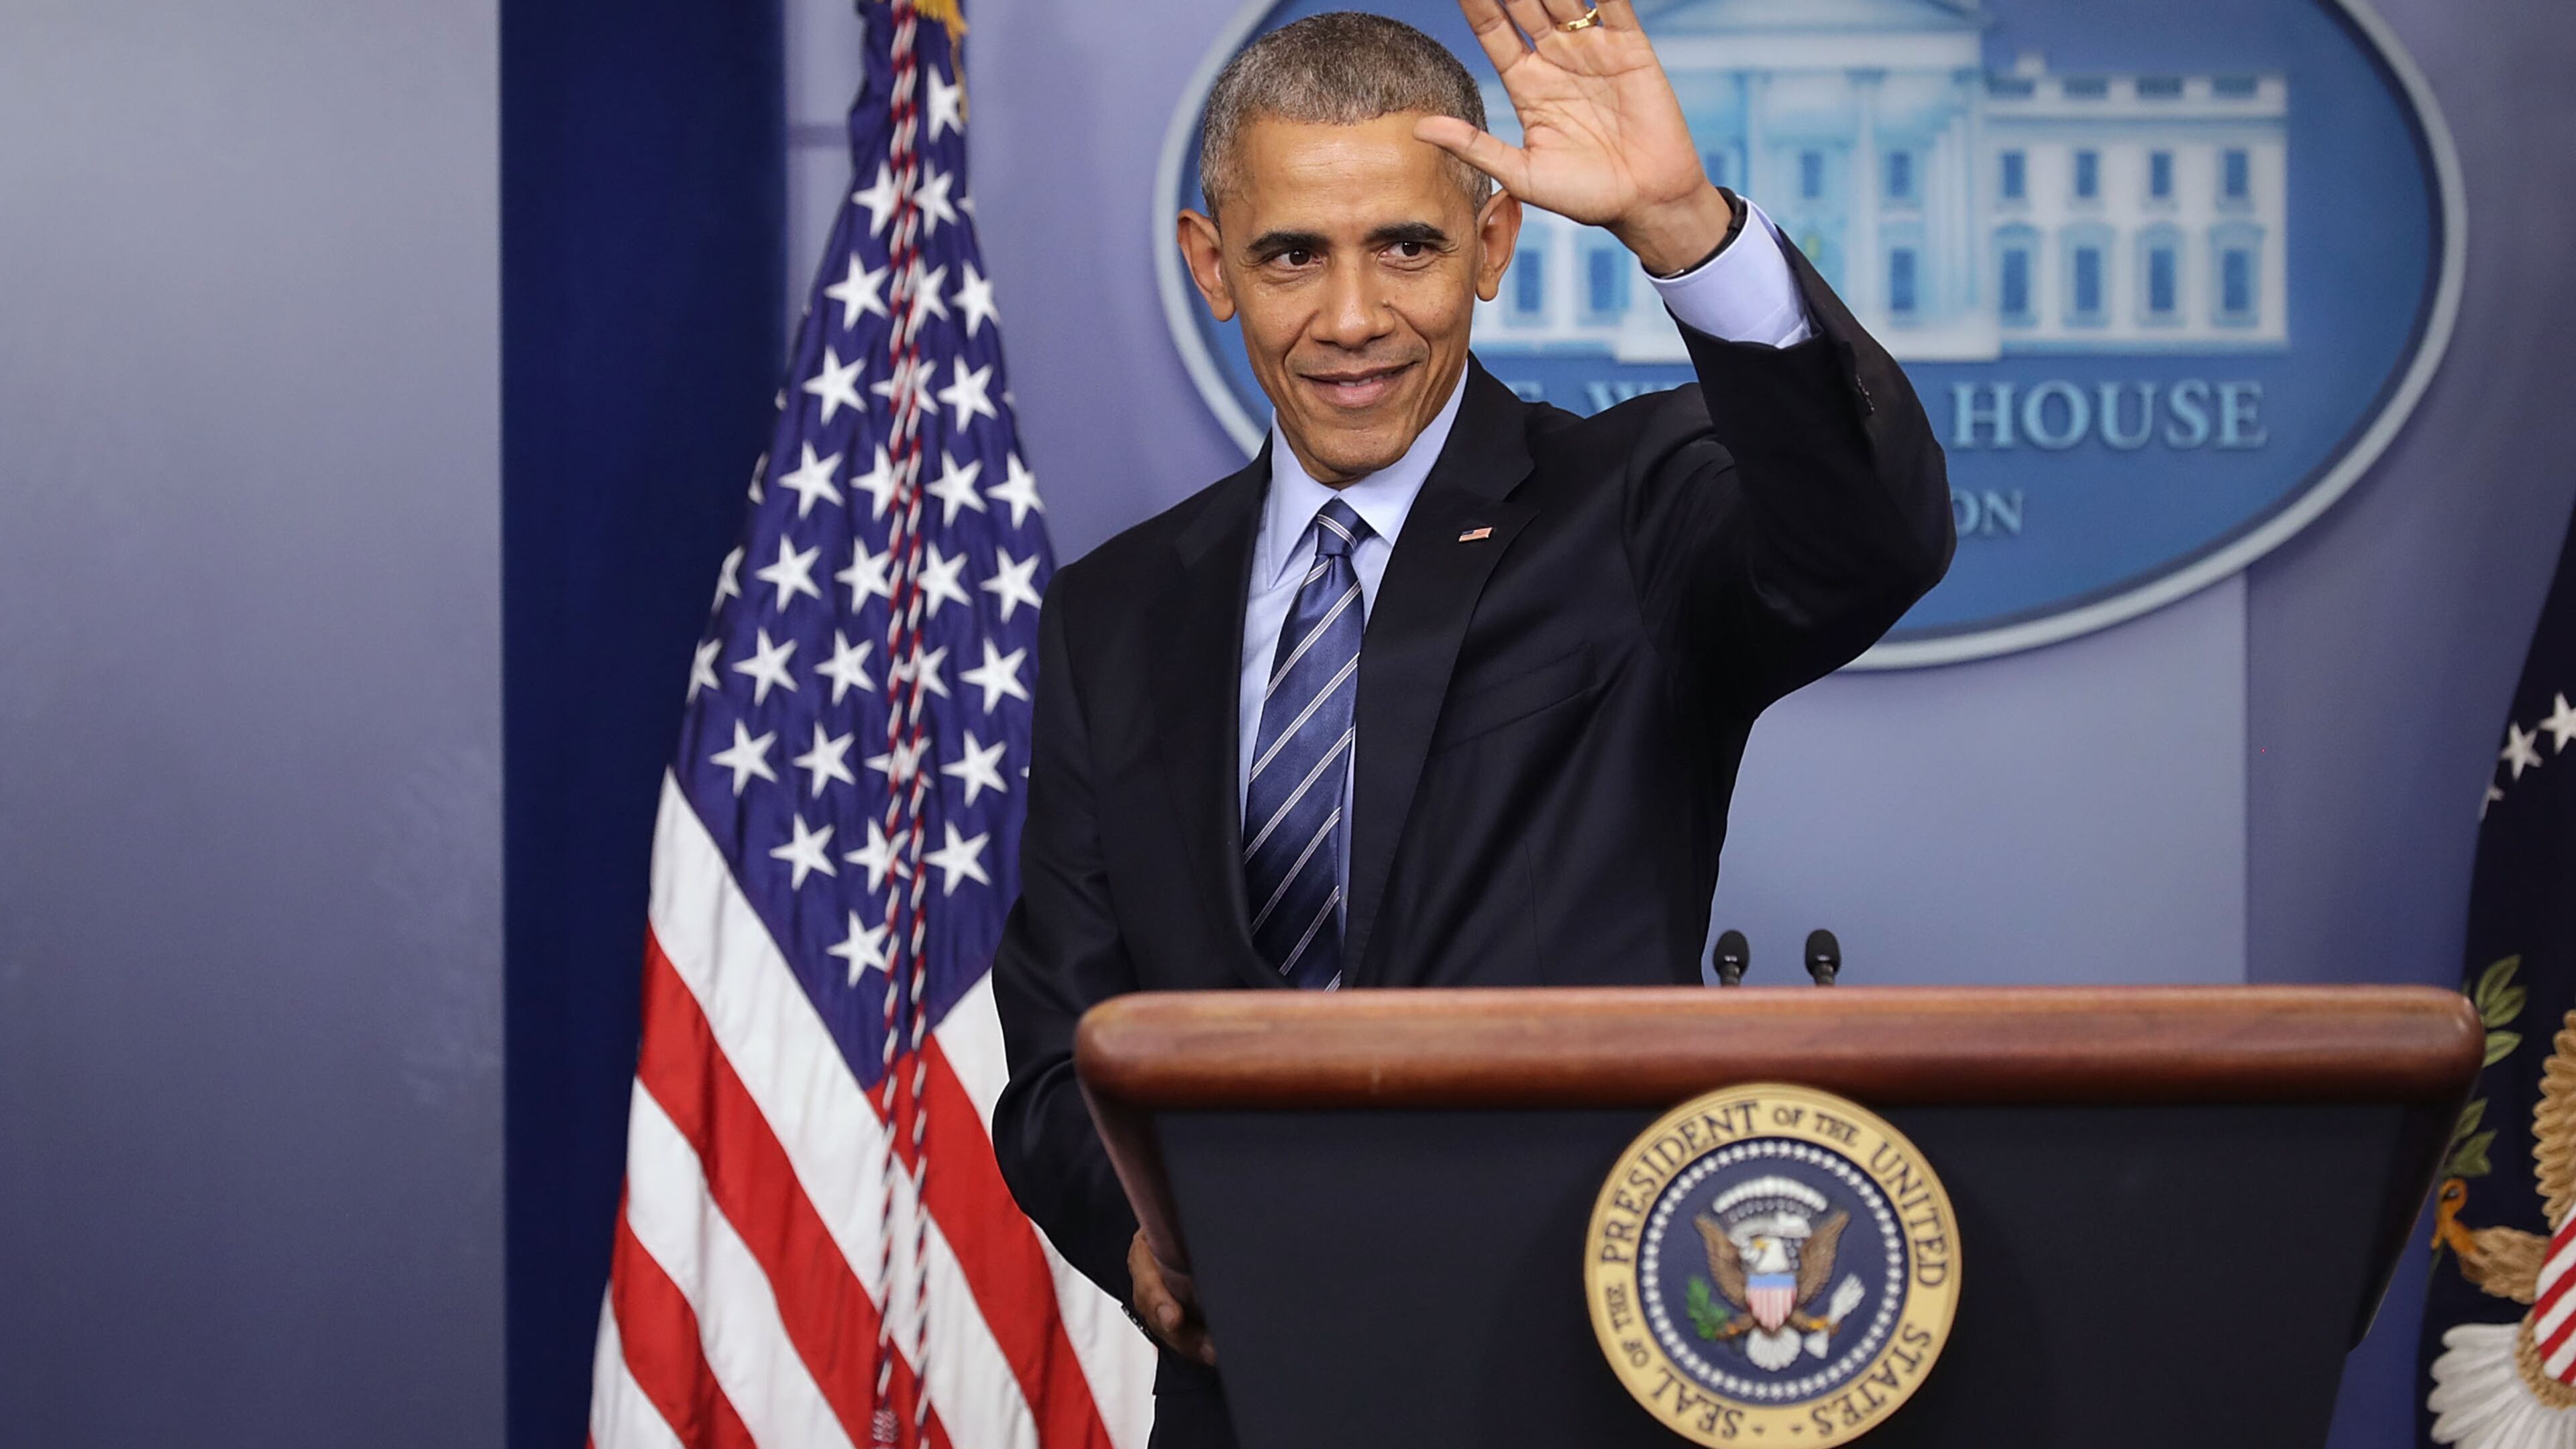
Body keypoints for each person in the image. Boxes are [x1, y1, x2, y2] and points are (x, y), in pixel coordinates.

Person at [991, 3, 1951, 1442]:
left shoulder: (1634, 505)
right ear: (1213, 266)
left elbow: (1868, 541)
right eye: (1291, 255)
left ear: (1492, 246)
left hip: (1578, 1370)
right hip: (1247, 1386)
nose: (1354, 317)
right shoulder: (1118, 614)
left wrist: (1684, 225)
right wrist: (1143, 1250)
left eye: (1408, 246)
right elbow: (1064, 1047)